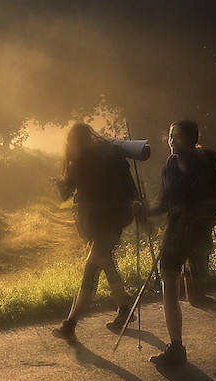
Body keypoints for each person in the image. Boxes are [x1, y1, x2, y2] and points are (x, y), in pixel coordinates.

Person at [144, 119, 216, 367]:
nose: (171, 141)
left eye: (176, 136)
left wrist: (191, 213)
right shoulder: (170, 165)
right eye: (170, 136)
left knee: (195, 298)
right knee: (169, 288)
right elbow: (163, 203)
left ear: (191, 139)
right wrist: (144, 211)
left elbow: (215, 204)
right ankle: (176, 348)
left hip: (197, 237)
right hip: (174, 237)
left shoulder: (205, 166)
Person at [51, 123, 145, 343]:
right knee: (104, 263)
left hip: (98, 225)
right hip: (116, 220)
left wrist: (58, 184)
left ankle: (71, 323)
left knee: (91, 269)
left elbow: (64, 195)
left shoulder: (79, 163)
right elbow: (131, 187)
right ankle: (124, 307)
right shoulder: (113, 156)